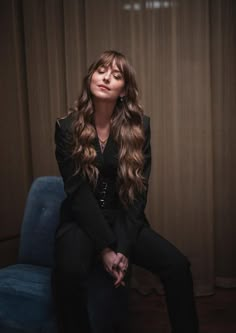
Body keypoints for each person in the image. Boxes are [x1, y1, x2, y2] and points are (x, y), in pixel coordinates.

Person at [51, 50, 199, 333]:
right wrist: (106, 248)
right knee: (67, 273)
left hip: (122, 218)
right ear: (90, 78)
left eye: (116, 75)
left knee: (178, 266)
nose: (106, 78)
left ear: (124, 90)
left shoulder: (139, 127)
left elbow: (138, 193)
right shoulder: (66, 128)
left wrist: (123, 246)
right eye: (101, 71)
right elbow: (78, 194)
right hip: (81, 221)